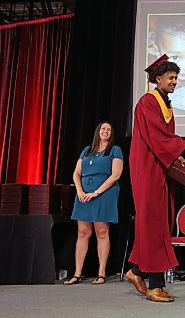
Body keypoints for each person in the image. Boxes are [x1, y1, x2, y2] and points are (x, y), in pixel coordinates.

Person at [125, 54, 185, 302]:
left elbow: (164, 139)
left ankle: (135, 271)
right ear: (157, 78)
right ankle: (155, 285)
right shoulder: (147, 102)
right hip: (148, 168)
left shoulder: (163, 102)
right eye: (170, 77)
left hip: (160, 165)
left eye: (176, 77)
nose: (174, 81)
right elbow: (158, 136)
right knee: (154, 223)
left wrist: (176, 156)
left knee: (158, 221)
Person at [64, 122, 124, 286]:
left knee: (102, 232)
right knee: (82, 233)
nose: (106, 131)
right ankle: (77, 274)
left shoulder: (114, 150)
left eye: (109, 130)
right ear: (98, 131)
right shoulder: (86, 150)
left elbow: (116, 175)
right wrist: (80, 191)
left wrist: (96, 192)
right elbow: (76, 173)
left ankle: (101, 273)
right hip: (83, 195)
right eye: (103, 129)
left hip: (104, 194)